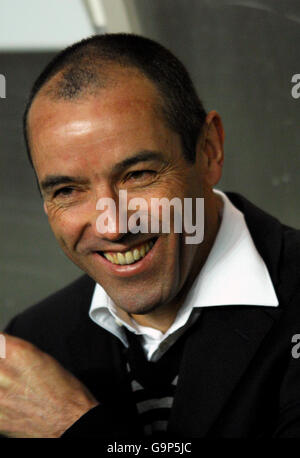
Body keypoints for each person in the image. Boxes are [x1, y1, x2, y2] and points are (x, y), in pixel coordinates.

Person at [1, 33, 300, 439]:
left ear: (209, 150)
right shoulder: (35, 342)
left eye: (137, 175)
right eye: (67, 191)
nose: (112, 226)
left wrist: (74, 427)